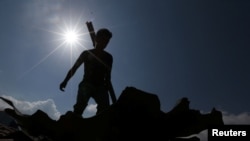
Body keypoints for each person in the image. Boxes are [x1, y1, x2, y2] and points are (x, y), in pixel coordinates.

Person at [59, 28, 115, 116]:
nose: (104, 43)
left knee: (104, 111)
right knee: (78, 109)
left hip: (100, 86)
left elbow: (108, 76)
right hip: (86, 84)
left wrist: (106, 90)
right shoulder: (86, 53)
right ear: (96, 38)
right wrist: (65, 81)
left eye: (107, 41)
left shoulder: (108, 57)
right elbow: (74, 68)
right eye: (103, 39)